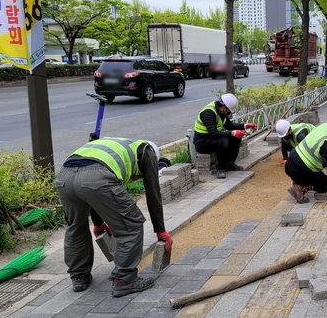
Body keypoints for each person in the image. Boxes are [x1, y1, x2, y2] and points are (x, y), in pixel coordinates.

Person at [56, 138, 174, 297]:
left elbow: (90, 188)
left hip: (65, 176)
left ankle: (79, 276)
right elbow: (153, 194)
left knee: (75, 226)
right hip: (96, 176)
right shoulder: (148, 152)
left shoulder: (117, 145)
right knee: (131, 224)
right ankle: (124, 279)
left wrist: (98, 223)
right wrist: (161, 230)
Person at [193, 93, 258, 179]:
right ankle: (220, 168)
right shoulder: (208, 113)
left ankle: (229, 163)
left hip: (211, 138)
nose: (228, 113)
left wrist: (245, 126)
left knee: (235, 137)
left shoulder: (220, 112)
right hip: (202, 142)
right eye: (229, 111)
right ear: (224, 108)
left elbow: (229, 125)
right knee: (223, 142)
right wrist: (232, 133)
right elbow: (213, 133)